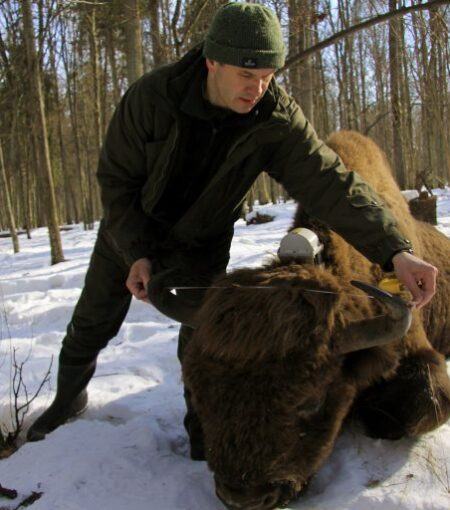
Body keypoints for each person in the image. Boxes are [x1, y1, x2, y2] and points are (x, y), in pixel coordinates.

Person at [27, 2, 438, 459]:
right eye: (246, 74)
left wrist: (395, 251)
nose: (257, 88)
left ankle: (201, 424)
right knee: (92, 321)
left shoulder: (276, 119)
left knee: (203, 336)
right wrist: (137, 252)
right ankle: (67, 400)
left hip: (200, 242)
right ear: (212, 61)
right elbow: (116, 183)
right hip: (128, 231)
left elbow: (332, 185)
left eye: (267, 75)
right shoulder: (152, 98)